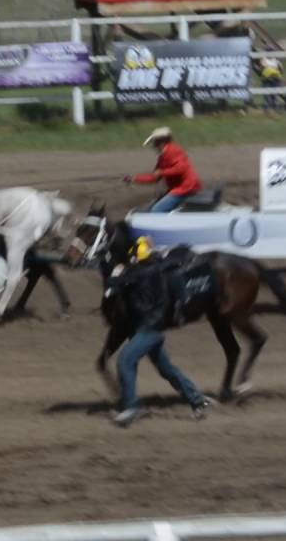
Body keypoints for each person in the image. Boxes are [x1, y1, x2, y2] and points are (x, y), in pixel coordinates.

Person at [106, 236, 210, 427]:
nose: (132, 259)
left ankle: (131, 407)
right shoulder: (154, 270)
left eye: (134, 256)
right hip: (153, 328)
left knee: (125, 360)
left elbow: (114, 284)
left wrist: (116, 273)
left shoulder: (140, 273)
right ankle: (197, 400)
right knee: (166, 370)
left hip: (149, 329)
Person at [125, 127, 201, 213]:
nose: (153, 146)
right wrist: (134, 179)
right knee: (150, 208)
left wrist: (162, 172)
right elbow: (155, 177)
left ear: (161, 142)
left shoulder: (174, 150)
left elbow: (181, 169)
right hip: (176, 188)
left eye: (154, 142)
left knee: (156, 211)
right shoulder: (162, 157)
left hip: (186, 188)